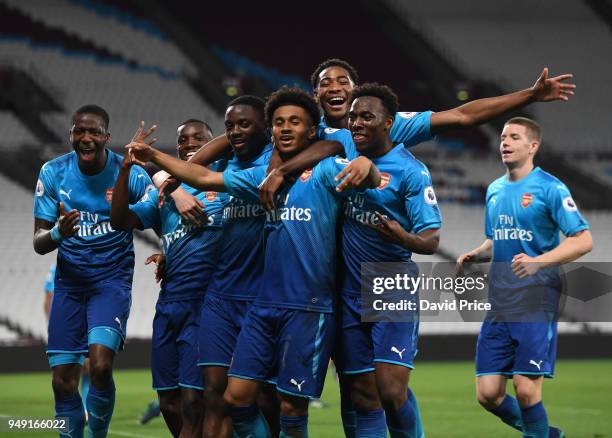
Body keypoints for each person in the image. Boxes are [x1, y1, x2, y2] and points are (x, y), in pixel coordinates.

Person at [126, 86, 381, 438]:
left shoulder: (323, 172)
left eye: (295, 122)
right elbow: (202, 177)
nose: (286, 128)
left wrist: (366, 165)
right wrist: (153, 155)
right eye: (279, 123)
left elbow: (360, 168)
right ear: (271, 129)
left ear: (311, 131)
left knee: (290, 408)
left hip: (306, 306)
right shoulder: (256, 179)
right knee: (236, 399)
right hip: (262, 305)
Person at [456, 117, 592, 438]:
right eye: (503, 136)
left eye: (514, 137)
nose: (505, 142)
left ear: (533, 146)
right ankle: (546, 434)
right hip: (500, 302)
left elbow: (582, 239)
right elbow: (496, 239)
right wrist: (477, 253)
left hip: (536, 297)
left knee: (526, 390)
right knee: (488, 393)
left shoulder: (550, 188)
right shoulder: (495, 189)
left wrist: (538, 262)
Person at [33, 105, 153, 438]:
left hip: (110, 282)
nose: (86, 138)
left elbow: (160, 212)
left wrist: (169, 251)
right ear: (71, 135)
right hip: (69, 286)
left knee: (100, 367)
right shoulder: (53, 172)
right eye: (79, 132)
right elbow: (39, 242)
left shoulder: (127, 172)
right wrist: (58, 232)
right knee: (62, 382)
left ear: (106, 137)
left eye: (94, 132)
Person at [332, 83, 441, 438]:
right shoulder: (345, 147)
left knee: (392, 391)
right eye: (353, 117)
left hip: (390, 281)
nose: (357, 123)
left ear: (388, 123)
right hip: (348, 286)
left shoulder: (412, 171)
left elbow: (431, 240)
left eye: (367, 117)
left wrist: (402, 237)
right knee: (363, 394)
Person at [111, 119, 227, 438]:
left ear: (212, 142)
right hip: (169, 304)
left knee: (194, 402)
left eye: (199, 138)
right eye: (183, 140)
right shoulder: (163, 194)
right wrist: (125, 170)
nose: (190, 143)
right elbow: (120, 219)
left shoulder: (224, 181)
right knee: (169, 403)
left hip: (206, 304)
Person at [44, 264, 91, 422]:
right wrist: (53, 323)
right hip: (66, 320)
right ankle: (67, 409)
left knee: (88, 367)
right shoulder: (56, 268)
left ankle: (84, 409)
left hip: (85, 318)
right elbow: (49, 298)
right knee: (64, 372)